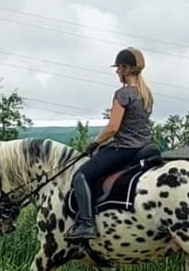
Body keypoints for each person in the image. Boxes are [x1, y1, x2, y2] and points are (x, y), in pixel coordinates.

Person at [65, 47, 155, 242]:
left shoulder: (123, 94)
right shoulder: (146, 94)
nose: (116, 72)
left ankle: (86, 224)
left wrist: (95, 142)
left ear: (126, 68)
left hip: (124, 149)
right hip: (143, 148)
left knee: (81, 175)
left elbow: (113, 127)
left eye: (119, 68)